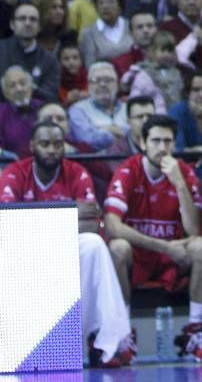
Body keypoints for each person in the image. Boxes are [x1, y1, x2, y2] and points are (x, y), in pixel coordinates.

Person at [0, 121, 133, 366]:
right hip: (23, 250)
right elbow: (10, 223)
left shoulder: (77, 172)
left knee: (94, 245)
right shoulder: (14, 173)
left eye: (57, 144)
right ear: (32, 146)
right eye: (44, 144)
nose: (51, 149)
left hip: (62, 246)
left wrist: (38, 220)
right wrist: (69, 214)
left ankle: (103, 341)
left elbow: (92, 223)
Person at [104, 115, 202, 361]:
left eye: (168, 141)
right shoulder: (128, 170)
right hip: (143, 254)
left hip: (174, 256)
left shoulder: (184, 172)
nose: (162, 147)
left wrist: (179, 184)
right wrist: (164, 247)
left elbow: (194, 229)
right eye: (156, 141)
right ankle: (123, 334)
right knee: (117, 248)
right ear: (143, 143)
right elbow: (112, 226)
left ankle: (194, 332)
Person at [0, 2, 59, 101]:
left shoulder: (49, 60)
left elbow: (50, 96)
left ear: (39, 27)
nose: (28, 23)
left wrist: (27, 87)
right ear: (12, 24)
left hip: (35, 113)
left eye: (33, 19)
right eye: (22, 19)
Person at [68, 60, 129, 153]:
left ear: (117, 84)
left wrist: (101, 129)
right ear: (88, 85)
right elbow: (87, 140)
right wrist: (120, 132)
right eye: (96, 80)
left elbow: (138, 136)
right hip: (94, 164)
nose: (102, 84)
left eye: (108, 80)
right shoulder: (77, 110)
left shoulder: (128, 108)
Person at [79, 0, 133, 68]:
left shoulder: (131, 26)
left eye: (110, 2)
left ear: (120, 6)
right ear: (96, 8)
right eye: (101, 3)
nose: (105, 6)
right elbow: (89, 66)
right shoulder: (88, 33)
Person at [0, 66, 42, 156]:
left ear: (31, 87)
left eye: (23, 83)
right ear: (6, 93)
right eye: (12, 86)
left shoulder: (43, 108)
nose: (19, 89)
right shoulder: (1, 113)